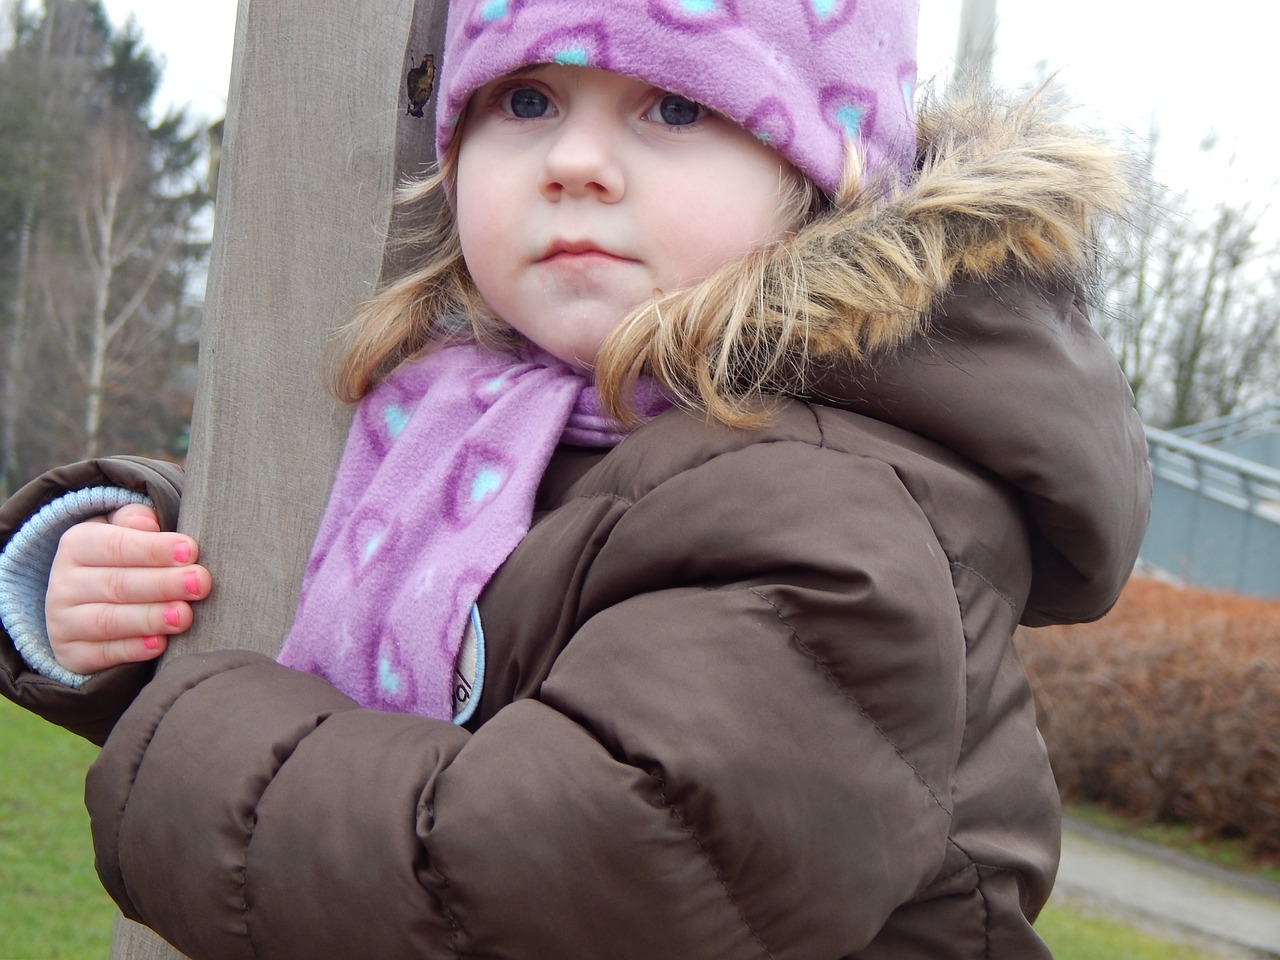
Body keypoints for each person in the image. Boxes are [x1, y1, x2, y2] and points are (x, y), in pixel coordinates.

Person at [0, 0, 1151, 956]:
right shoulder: (495, 422)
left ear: (822, 173)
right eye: (526, 101)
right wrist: (133, 581)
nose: (575, 163)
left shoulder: (825, 503)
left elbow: (571, 871)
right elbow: (476, 613)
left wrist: (187, 735)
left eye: (675, 105)